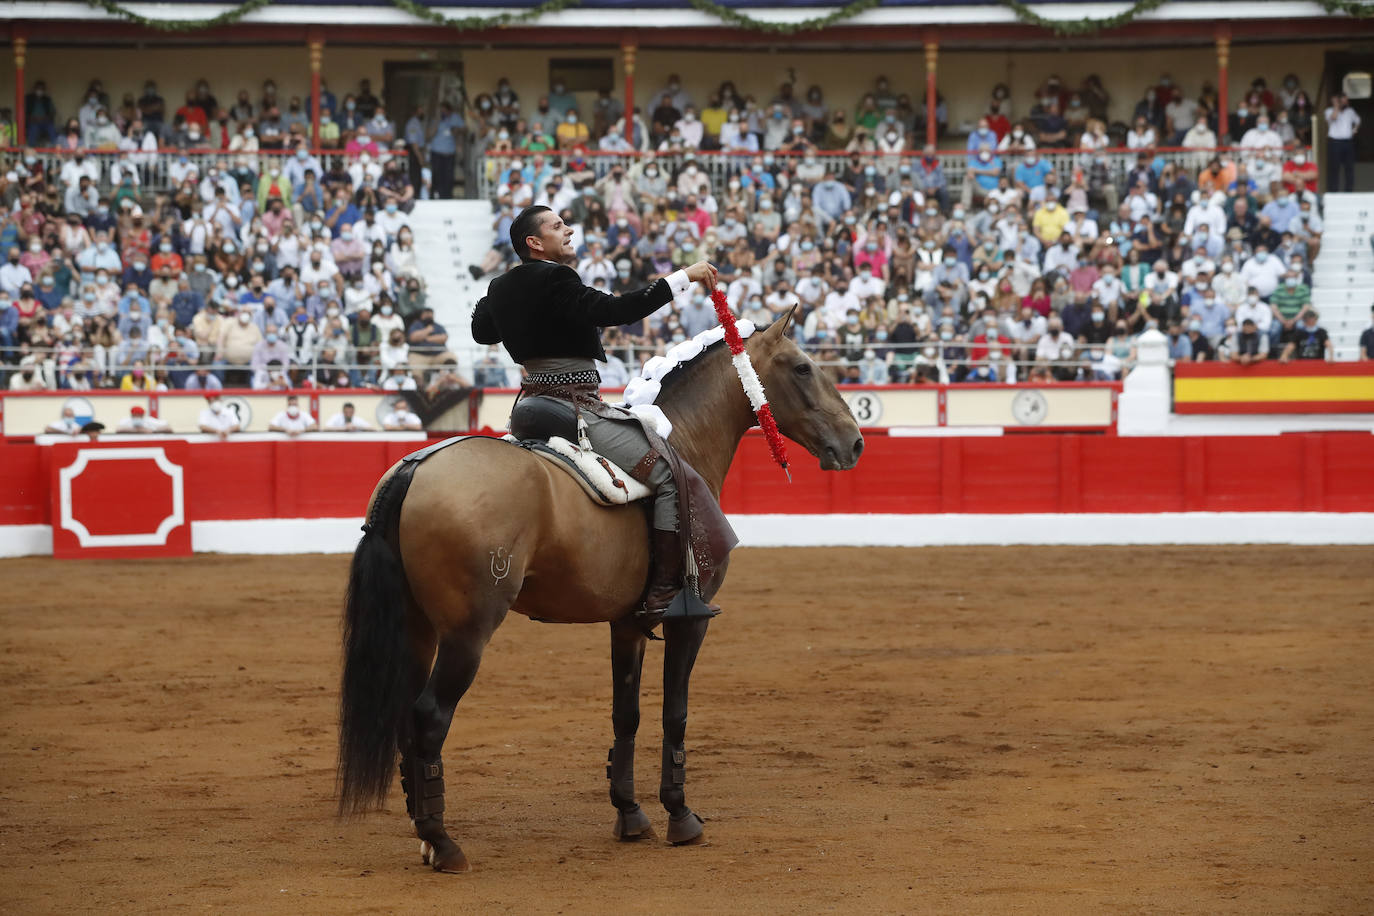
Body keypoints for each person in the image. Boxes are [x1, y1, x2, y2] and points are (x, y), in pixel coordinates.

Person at [471, 204, 717, 627]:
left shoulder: (502, 286)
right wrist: (683, 277)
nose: (568, 230)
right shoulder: (558, 277)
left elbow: (481, 331)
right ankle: (663, 593)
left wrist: (500, 295)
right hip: (572, 405)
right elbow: (617, 312)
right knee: (669, 474)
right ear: (534, 243)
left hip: (527, 409)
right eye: (557, 226)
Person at [1324, 93, 1360, 193]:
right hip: (1335, 142)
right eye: (1344, 100)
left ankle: (1349, 191)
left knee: (1349, 167)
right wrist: (1336, 105)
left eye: (1347, 100)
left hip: (1348, 142)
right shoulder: (1329, 111)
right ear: (1338, 100)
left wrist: (1355, 130)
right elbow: (1334, 117)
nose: (1346, 102)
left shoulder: (1350, 111)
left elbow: (1358, 120)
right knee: (1334, 167)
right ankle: (1333, 191)